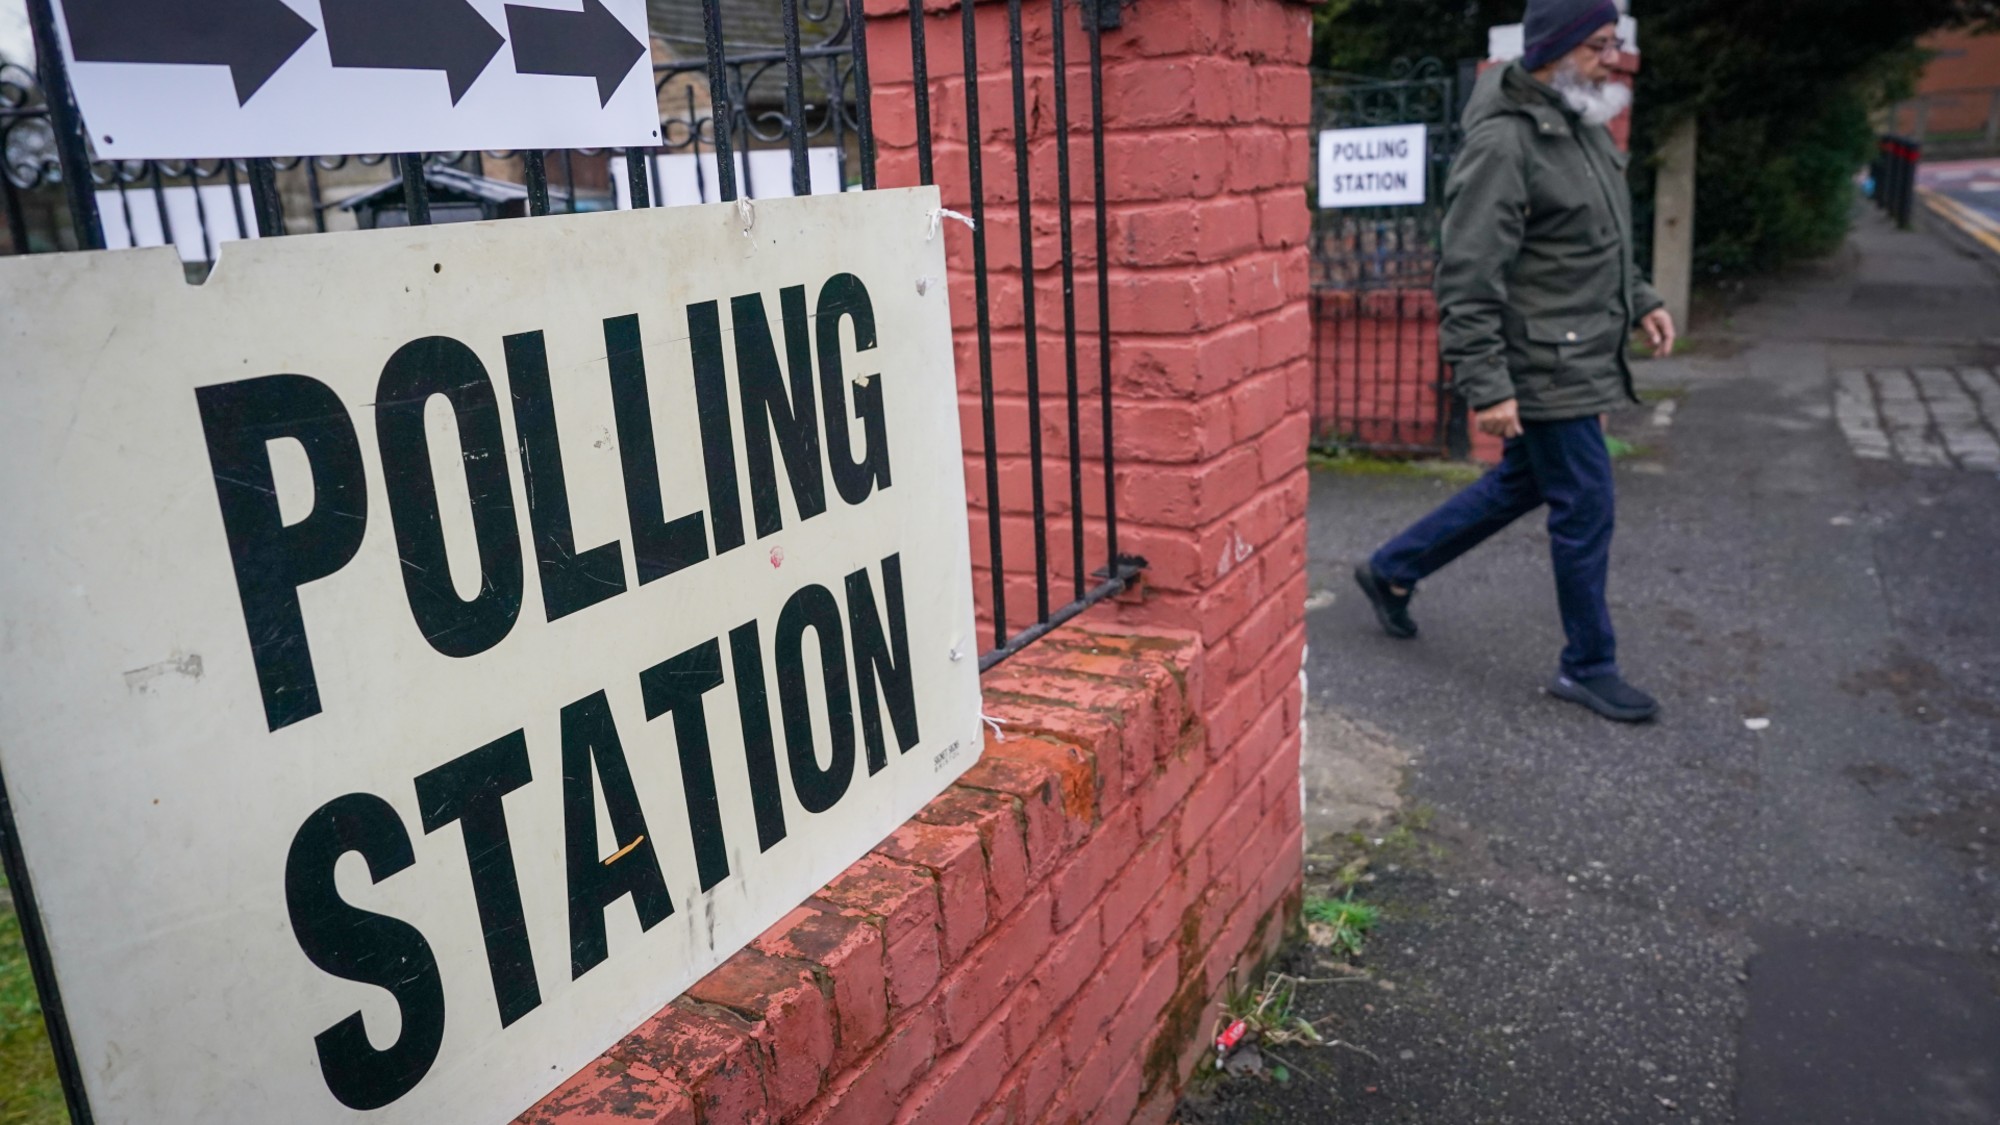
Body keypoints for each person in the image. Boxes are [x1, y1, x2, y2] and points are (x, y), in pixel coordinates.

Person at [1352, 0, 1675, 723]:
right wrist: (1487, 383)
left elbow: (1602, 236)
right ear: (1556, 48)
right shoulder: (1505, 142)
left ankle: (1392, 568)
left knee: (1522, 485)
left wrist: (1643, 295)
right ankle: (1588, 665)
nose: (1612, 57)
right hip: (1543, 363)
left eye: (1614, 42)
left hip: (1577, 349)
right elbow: (1467, 273)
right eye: (1597, 44)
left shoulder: (1579, 121)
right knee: (1585, 505)